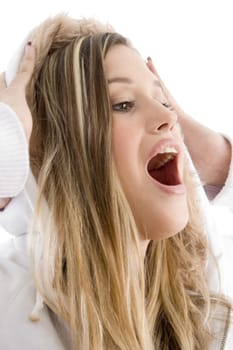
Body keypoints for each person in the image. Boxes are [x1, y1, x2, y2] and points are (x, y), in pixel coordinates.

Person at [0, 14, 232, 349]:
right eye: (123, 104)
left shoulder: (203, 320)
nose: (169, 118)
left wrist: (219, 163)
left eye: (164, 101)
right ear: (62, 156)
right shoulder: (13, 309)